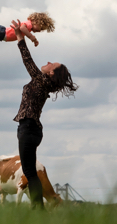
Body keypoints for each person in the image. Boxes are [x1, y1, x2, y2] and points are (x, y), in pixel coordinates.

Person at [10, 19, 77, 209]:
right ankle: (37, 208)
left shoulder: (41, 81)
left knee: (30, 172)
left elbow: (28, 61)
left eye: (51, 64)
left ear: (51, 74)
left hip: (28, 127)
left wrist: (20, 37)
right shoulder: (44, 83)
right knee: (30, 171)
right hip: (31, 129)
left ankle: (38, 209)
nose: (47, 63)